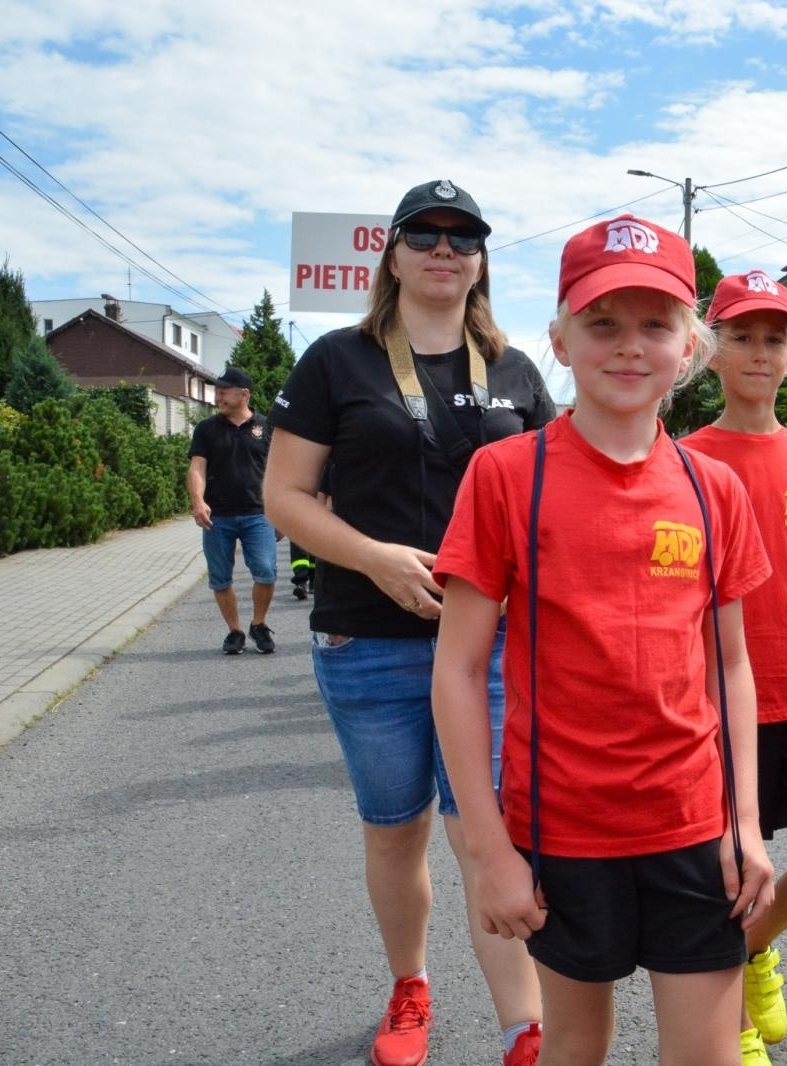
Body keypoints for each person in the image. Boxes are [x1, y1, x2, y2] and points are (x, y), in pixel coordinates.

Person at [429, 214, 775, 1066]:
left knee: (710, 1054)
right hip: (561, 830)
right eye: (602, 323)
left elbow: (732, 663)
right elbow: (459, 669)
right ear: (559, 337)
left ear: (691, 344)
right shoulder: (507, 474)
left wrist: (748, 825)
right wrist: (489, 849)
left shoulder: (714, 487)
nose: (630, 347)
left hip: (695, 826)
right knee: (576, 1046)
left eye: (656, 324)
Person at [265, 179, 552, 1066]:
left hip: (492, 643)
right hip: (367, 639)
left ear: (481, 259)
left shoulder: (513, 372)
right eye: (422, 234)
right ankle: (410, 987)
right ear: (391, 254)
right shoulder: (335, 361)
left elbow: (555, 496)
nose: (443, 247)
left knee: (486, 830)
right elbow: (284, 496)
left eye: (461, 236)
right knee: (397, 829)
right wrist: (374, 557)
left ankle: (523, 1026)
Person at [684, 270, 787, 1065]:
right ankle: (730, 1018)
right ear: (710, 351)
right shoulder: (684, 459)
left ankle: (753, 947)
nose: (759, 352)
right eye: (742, 336)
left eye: (774, 338)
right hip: (719, 699)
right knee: (724, 862)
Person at [187, 365, 278, 655]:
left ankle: (258, 624)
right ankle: (235, 631)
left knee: (266, 571)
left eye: (224, 391)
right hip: (218, 517)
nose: (218, 396)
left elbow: (279, 472)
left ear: (244, 394)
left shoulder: (267, 428)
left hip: (258, 514)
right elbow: (197, 467)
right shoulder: (206, 429)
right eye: (217, 390)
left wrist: (283, 514)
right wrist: (198, 501)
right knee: (220, 577)